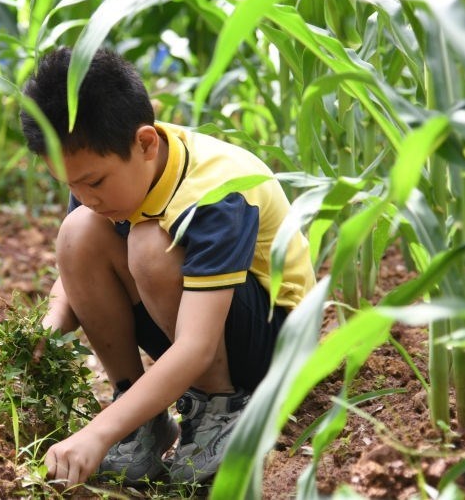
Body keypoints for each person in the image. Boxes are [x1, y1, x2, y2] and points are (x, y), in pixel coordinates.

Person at [19, 45, 316, 487]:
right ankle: (142, 420)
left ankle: (223, 409)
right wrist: (47, 329)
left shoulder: (217, 192)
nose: (85, 196)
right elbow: (73, 274)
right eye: (72, 185)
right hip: (200, 321)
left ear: (145, 143)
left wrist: (97, 433)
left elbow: (196, 345)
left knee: (149, 244)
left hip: (275, 342)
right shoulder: (104, 169)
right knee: (78, 232)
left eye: (93, 182)